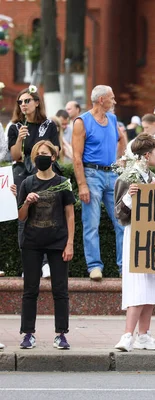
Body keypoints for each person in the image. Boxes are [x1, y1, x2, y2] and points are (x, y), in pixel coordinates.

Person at [113, 134, 155, 352]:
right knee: (138, 285)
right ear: (147, 154)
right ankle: (127, 335)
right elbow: (119, 214)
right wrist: (130, 197)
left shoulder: (152, 177)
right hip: (136, 234)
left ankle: (144, 335)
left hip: (153, 234)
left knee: (151, 286)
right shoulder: (128, 177)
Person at [17, 140, 75, 350]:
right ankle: (28, 334)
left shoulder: (63, 182)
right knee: (30, 289)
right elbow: (21, 217)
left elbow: (70, 214)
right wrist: (27, 202)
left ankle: (61, 334)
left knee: (60, 289)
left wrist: (70, 243)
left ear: (53, 157)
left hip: (57, 242)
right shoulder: (28, 183)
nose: (41, 157)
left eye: (45, 153)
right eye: (38, 154)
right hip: (31, 242)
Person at [72, 85, 127, 281]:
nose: (114, 101)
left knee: (122, 222)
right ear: (101, 100)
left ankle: (124, 267)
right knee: (91, 224)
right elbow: (76, 158)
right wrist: (82, 185)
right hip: (91, 175)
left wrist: (120, 157)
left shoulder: (112, 119)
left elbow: (122, 139)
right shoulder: (82, 122)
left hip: (112, 175)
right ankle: (94, 266)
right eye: (112, 98)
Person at [8, 85, 61, 280]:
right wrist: (18, 140)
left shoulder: (48, 125)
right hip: (23, 175)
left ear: (37, 102)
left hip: (45, 175)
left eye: (27, 101)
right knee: (24, 219)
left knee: (47, 215)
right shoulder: (15, 127)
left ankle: (46, 263)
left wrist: (42, 149)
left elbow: (56, 149)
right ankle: (30, 265)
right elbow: (15, 156)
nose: (23, 104)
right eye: (20, 102)